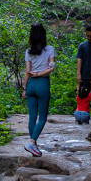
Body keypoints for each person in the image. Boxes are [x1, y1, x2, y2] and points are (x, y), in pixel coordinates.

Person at [22, 22, 56, 156]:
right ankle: (32, 142)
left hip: (30, 85)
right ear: (44, 35)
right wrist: (38, 74)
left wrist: (25, 88)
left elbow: (27, 71)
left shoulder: (28, 51)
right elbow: (51, 68)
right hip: (42, 84)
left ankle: (33, 146)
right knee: (42, 118)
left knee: (32, 117)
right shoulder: (50, 49)